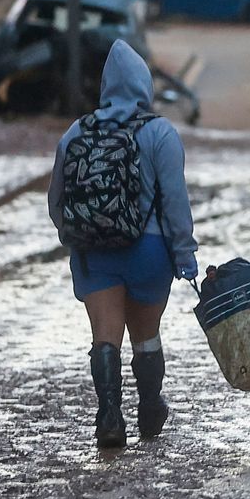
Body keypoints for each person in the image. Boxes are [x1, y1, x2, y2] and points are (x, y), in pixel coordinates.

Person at [48, 39, 197, 449]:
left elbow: (57, 199)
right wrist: (184, 254)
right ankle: (149, 406)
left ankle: (110, 415)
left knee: (105, 335)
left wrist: (75, 236)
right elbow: (175, 202)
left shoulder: (77, 132)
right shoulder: (160, 133)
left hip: (94, 254)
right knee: (146, 334)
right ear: (144, 85)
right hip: (149, 252)